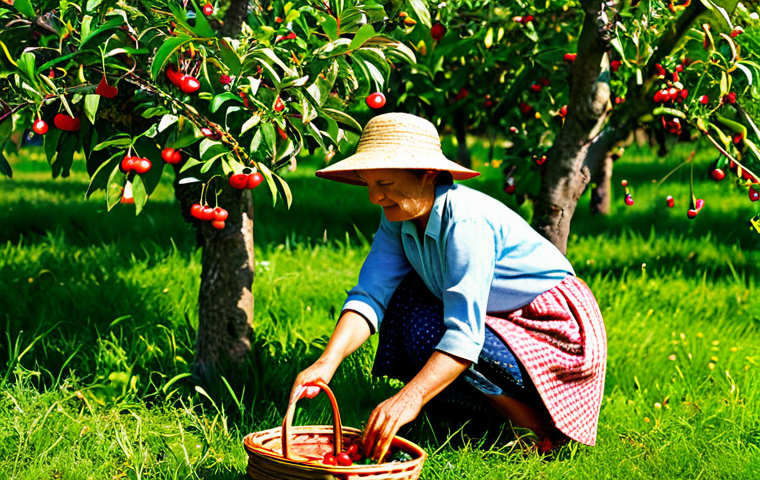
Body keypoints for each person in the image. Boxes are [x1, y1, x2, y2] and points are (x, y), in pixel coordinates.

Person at [290, 113, 607, 461]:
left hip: (551, 330)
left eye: (386, 183)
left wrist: (409, 398)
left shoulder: (464, 222)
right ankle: (479, 417)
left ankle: (538, 428)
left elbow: (463, 335)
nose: (374, 197)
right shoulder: (401, 213)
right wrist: (327, 362)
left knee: (431, 330)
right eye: (368, 184)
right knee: (405, 300)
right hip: (495, 319)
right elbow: (371, 294)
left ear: (426, 173)